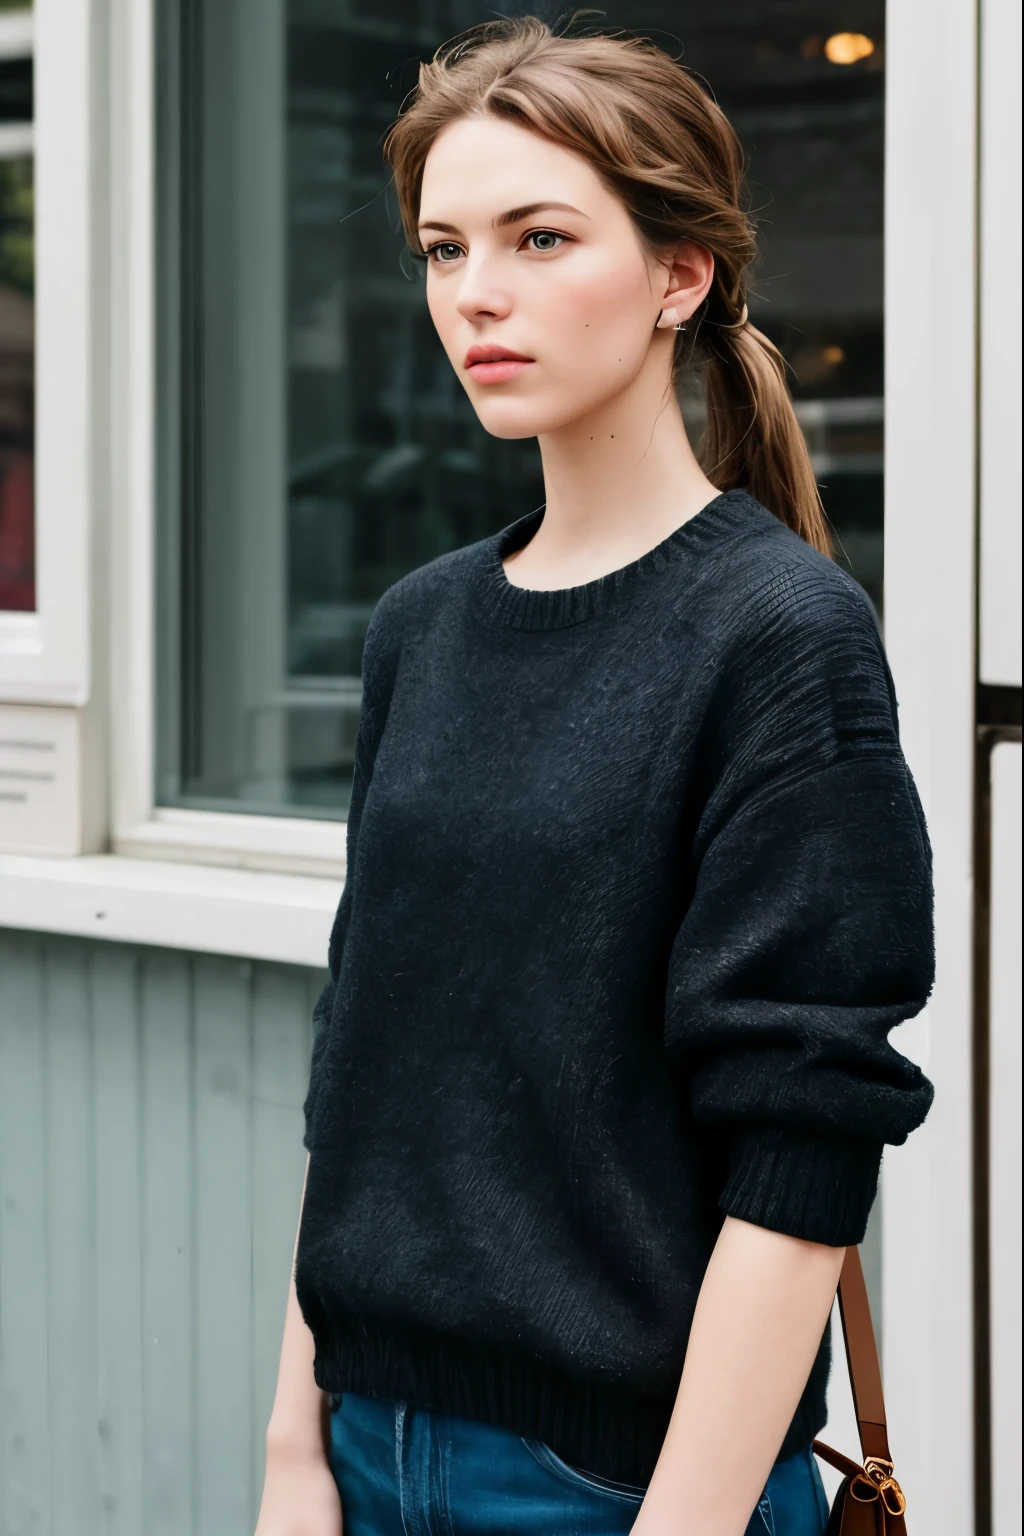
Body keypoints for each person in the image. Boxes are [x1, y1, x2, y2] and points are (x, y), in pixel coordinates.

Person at [255, 18, 934, 1536]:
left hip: (619, 1485)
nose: (475, 292)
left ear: (679, 276)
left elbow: (804, 1138)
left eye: (540, 236)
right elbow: (361, 1068)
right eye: (443, 248)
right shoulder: (421, 626)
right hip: (368, 1448)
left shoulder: (779, 637)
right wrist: (294, 1456)